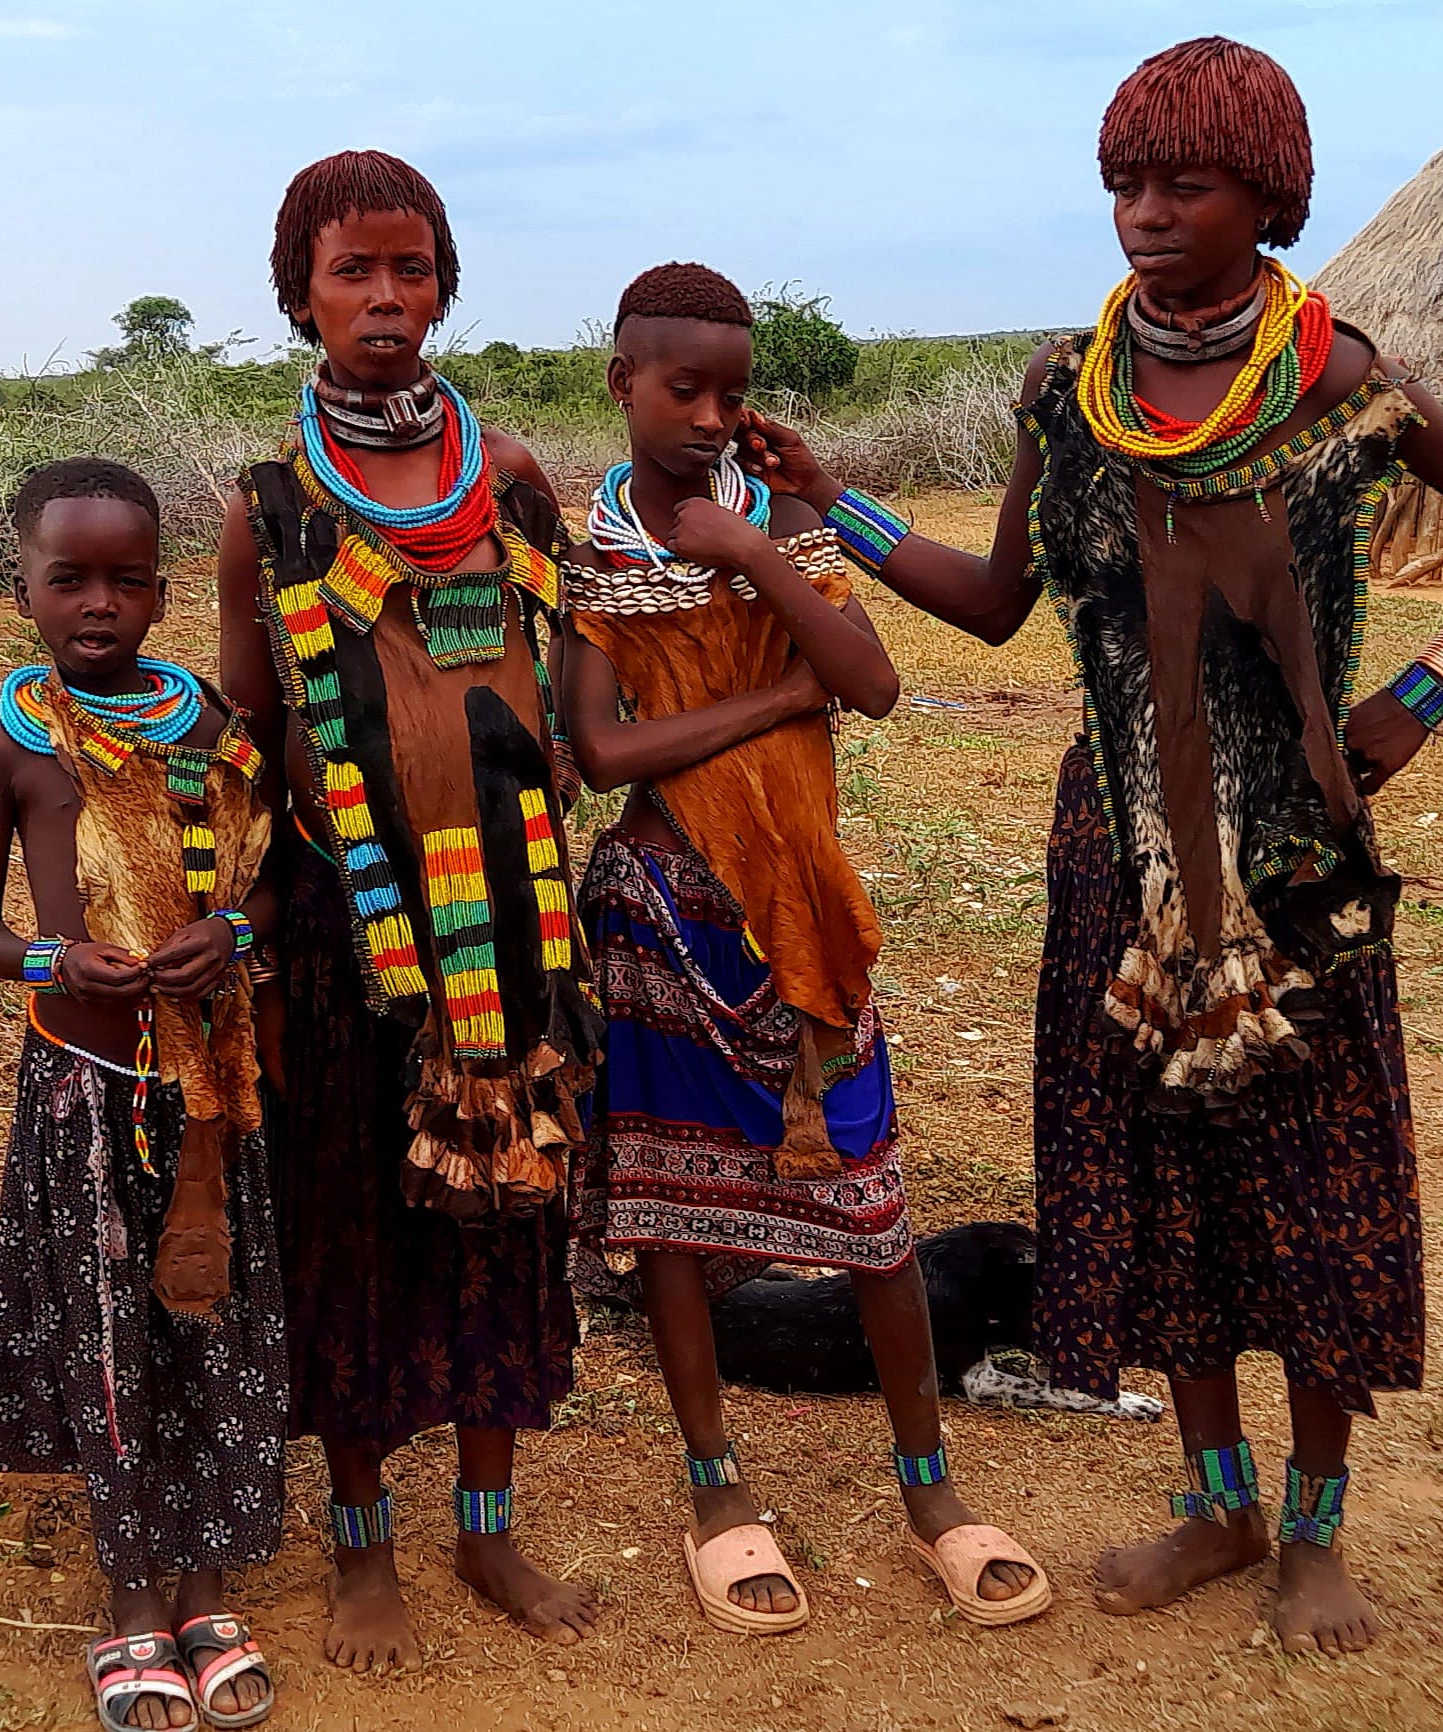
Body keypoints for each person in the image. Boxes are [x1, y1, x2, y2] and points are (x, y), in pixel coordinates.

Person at [739, 37, 1443, 1655]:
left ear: (1267, 195)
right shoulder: (1070, 386)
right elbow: (995, 604)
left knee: (1315, 1189)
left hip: (1290, 864)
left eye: (1179, 184)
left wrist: (1424, 689)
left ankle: (1315, 1526)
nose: (1141, 213)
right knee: (1163, 1184)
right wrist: (832, 505)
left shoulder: (1334, 370)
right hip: (1111, 847)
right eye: (1123, 182)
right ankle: (1217, 1499)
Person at [561, 263, 1050, 1635]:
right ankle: (716, 1488)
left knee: (870, 1215)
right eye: (681, 389)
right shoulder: (599, 558)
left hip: (805, 923)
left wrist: (763, 552)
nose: (710, 414)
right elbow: (599, 749)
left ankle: (928, 1492)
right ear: (620, 384)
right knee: (665, 1213)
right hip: (661, 914)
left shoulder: (779, 531)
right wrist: (779, 685)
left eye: (731, 389)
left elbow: (877, 684)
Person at [217, 151, 603, 1671]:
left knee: (510, 1201)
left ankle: (489, 1529)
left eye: (412, 269)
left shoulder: (505, 478)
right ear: (297, 292)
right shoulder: (267, 505)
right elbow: (252, 734)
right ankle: (363, 1538)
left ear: (446, 282)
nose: (385, 297)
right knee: (357, 1210)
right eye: (350, 273)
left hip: (514, 913)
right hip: (351, 920)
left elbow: (564, 671)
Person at [0, 459, 284, 1730]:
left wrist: (232, 935)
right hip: (84, 1083)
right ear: (21, 587)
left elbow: (264, 884)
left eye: (128, 580)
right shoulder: (13, 751)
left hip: (213, 1085)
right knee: (108, 1332)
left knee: (204, 1312)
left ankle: (206, 1576)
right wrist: (57, 957)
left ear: (164, 588)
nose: (100, 603)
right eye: (68, 579)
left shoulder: (211, 730)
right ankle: (134, 1593)